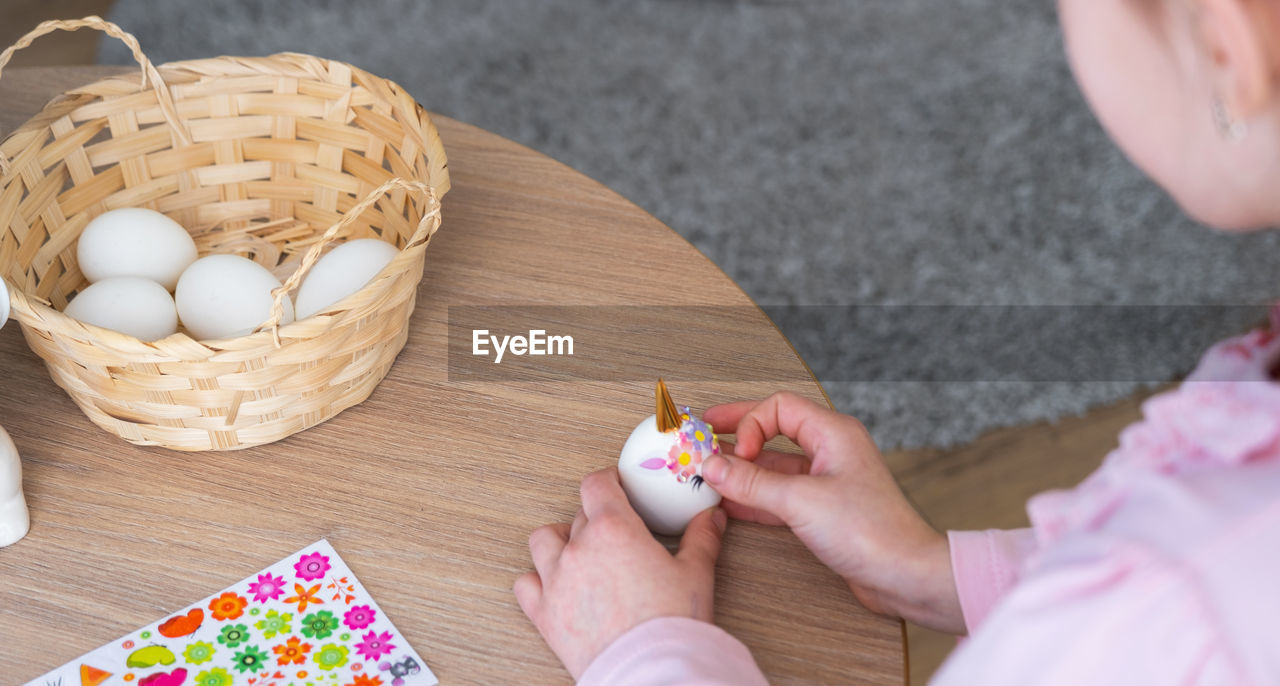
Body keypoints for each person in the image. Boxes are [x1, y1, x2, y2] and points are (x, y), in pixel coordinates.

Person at [514, 0, 1280, 683]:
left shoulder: (1176, 604)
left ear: (1225, 46)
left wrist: (645, 653)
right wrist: (930, 573)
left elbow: (1159, 615)